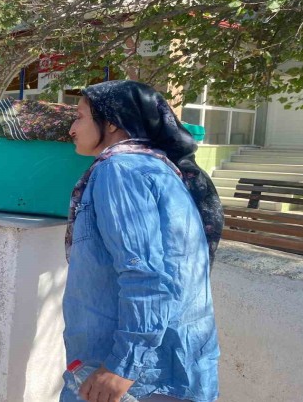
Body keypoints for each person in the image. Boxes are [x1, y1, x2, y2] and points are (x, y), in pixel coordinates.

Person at [61, 80, 222, 402]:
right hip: (171, 364)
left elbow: (143, 274)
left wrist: (123, 367)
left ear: (111, 122)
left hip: (131, 377)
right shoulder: (156, 167)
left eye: (79, 117)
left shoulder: (120, 171)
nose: (71, 129)